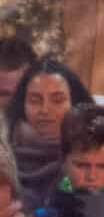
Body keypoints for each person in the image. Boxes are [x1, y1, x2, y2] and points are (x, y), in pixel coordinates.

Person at [6, 56, 87, 207]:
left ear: (75, 103)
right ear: (22, 104)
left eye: (57, 100)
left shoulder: (99, 157)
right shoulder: (3, 155)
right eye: (35, 100)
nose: (45, 110)